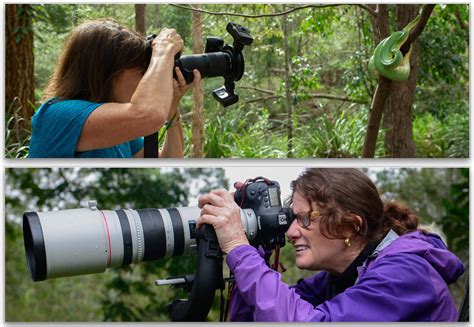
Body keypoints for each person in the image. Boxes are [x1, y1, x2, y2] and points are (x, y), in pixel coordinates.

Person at [197, 168, 465, 322]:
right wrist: (257, 240)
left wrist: (238, 247)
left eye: (304, 219)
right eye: (291, 219)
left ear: (350, 226)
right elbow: (261, 316)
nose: (291, 232)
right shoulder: (336, 280)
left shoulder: (405, 273)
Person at [29, 19, 201, 158]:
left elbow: (168, 161)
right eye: (142, 72)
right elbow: (149, 115)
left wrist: (171, 107)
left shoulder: (118, 121)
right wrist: (163, 51)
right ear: (108, 73)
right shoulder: (58, 115)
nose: (145, 80)